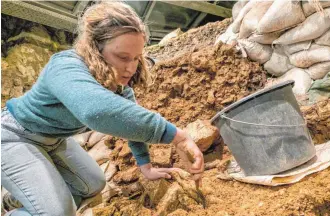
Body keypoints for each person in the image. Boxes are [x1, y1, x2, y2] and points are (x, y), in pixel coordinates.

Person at [1, 2, 204, 215]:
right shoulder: (65, 66)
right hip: (14, 138)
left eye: (136, 58)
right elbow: (96, 110)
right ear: (95, 49)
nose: (131, 67)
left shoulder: (117, 84)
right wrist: (176, 136)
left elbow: (130, 126)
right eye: (122, 57)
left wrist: (147, 167)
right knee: (60, 213)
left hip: (55, 140)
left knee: (93, 185)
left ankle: (16, 198)